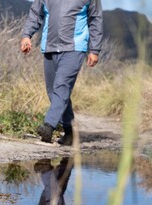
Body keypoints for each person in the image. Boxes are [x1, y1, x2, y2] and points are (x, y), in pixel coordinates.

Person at [20, 0, 103, 145]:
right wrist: (27, 35)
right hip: (50, 47)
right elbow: (35, 13)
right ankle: (70, 131)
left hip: (74, 47)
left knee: (61, 86)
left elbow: (95, 19)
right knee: (53, 91)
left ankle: (49, 125)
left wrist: (94, 49)